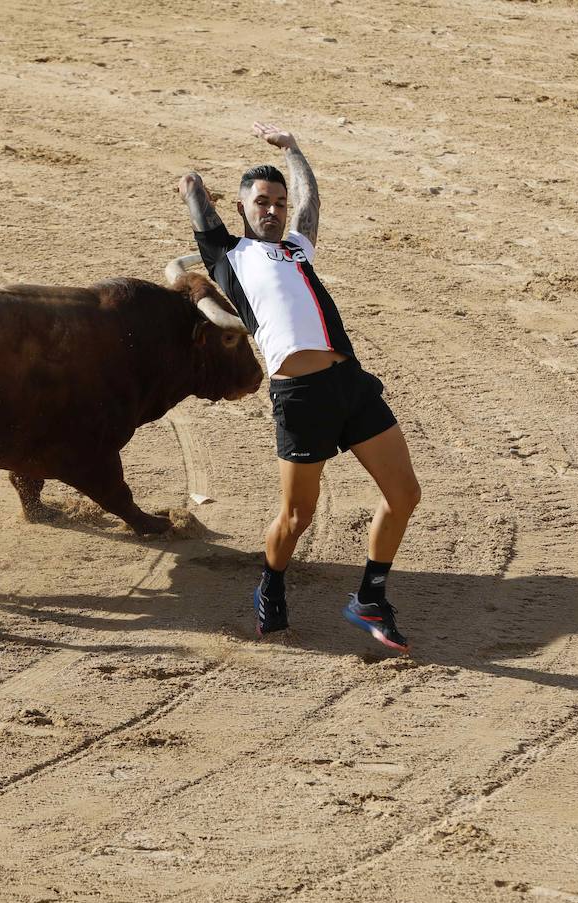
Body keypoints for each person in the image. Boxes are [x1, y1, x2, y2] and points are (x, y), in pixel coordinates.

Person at [177, 122, 422, 653]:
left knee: (405, 494)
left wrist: (293, 151)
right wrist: (193, 184)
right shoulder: (228, 256)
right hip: (300, 399)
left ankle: (370, 600)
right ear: (242, 209)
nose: (273, 210)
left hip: (349, 383)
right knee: (297, 516)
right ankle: (271, 584)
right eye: (261, 202)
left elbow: (310, 198)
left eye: (279, 203)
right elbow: (197, 198)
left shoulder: (297, 248)